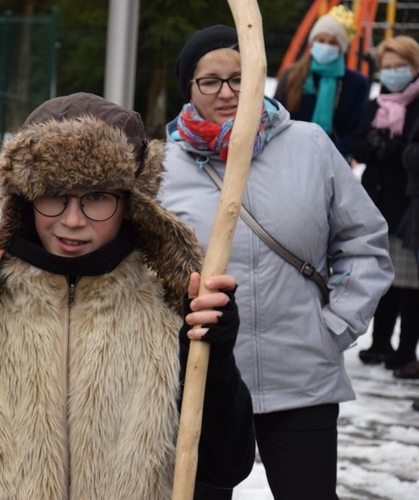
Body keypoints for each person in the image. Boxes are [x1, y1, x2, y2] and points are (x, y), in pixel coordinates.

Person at [0, 92, 256, 497]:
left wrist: (215, 360)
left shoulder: (167, 301)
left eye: (97, 196)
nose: (73, 220)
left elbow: (226, 467)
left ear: (131, 203)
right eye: (54, 196)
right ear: (25, 198)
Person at [159, 25, 393, 499]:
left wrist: (334, 327)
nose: (227, 92)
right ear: (189, 88)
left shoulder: (309, 145)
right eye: (210, 80)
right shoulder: (162, 168)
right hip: (208, 381)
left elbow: (364, 240)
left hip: (303, 377)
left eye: (240, 77)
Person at [353, 36, 419, 374]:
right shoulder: (377, 103)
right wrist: (374, 146)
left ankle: (406, 349)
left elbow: (409, 150)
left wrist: (385, 149)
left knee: (409, 282)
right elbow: (359, 143)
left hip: (408, 204)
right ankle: (380, 341)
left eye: (399, 66)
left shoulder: (416, 104)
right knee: (384, 277)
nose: (393, 73)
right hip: (377, 200)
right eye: (387, 67)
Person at [274, 5, 370, 160]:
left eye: (332, 43)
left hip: (335, 160)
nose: (326, 46)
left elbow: (355, 129)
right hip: (291, 155)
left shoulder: (356, 83)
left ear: (342, 47)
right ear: (313, 41)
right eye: (321, 40)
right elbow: (276, 117)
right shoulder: (292, 75)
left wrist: (329, 154)